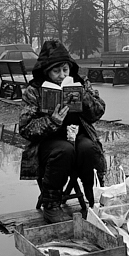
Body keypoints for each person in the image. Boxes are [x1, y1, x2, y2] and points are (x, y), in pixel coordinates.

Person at [18, 40, 107, 219]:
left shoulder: (80, 83)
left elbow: (99, 111)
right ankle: (51, 204)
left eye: (65, 70)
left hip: (78, 135)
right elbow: (25, 128)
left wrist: (84, 98)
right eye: (56, 71)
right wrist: (51, 121)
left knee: (88, 148)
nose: (61, 75)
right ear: (46, 71)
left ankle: (95, 200)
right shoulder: (33, 91)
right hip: (47, 144)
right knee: (64, 150)